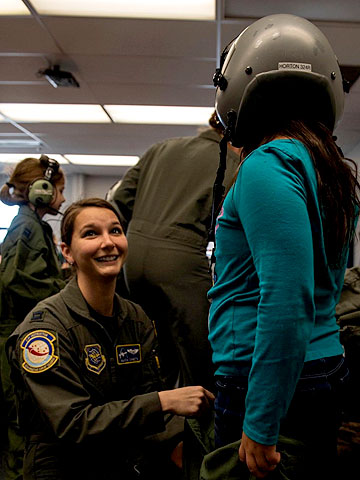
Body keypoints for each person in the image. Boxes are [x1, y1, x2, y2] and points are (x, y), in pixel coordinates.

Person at [207, 13, 360, 479]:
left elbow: (287, 297)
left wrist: (260, 421)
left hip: (273, 382)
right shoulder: (323, 166)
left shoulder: (266, 166)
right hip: (309, 370)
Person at [5, 198, 215, 480]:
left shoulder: (135, 317)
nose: (108, 242)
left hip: (123, 462)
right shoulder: (45, 332)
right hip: (63, 468)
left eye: (115, 231)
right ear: (67, 252)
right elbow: (73, 423)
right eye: (91, 233)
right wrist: (162, 401)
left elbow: (146, 399)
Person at [111, 111, 241, 390]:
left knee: (156, 349)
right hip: (179, 261)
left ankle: (156, 421)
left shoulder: (160, 148)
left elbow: (120, 201)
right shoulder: (230, 162)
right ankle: (201, 428)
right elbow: (232, 224)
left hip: (132, 262)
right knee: (201, 357)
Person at [0, 154, 67, 479]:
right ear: (41, 190)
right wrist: (66, 289)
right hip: (12, 340)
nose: (63, 198)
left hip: (15, 337)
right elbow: (18, 281)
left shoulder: (32, 225)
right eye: (59, 190)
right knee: (17, 434)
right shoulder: (27, 228)